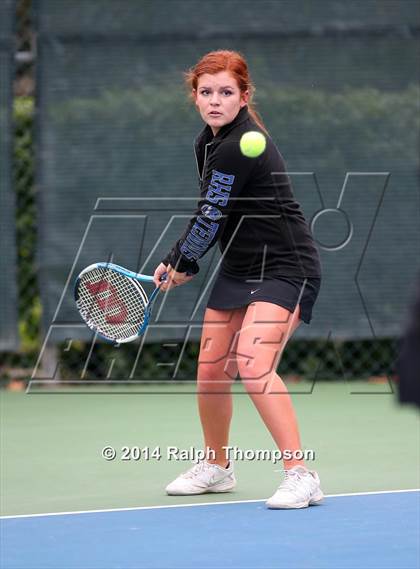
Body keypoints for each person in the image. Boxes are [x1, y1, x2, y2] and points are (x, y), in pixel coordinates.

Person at [153, 50, 323, 509]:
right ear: (194, 97)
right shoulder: (205, 143)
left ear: (244, 96)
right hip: (240, 266)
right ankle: (217, 467)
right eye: (205, 92)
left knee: (252, 364)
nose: (215, 101)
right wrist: (181, 259)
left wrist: (181, 261)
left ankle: (300, 474)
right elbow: (211, 211)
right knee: (210, 370)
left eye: (226, 92)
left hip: (286, 264)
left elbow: (211, 215)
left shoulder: (239, 144)